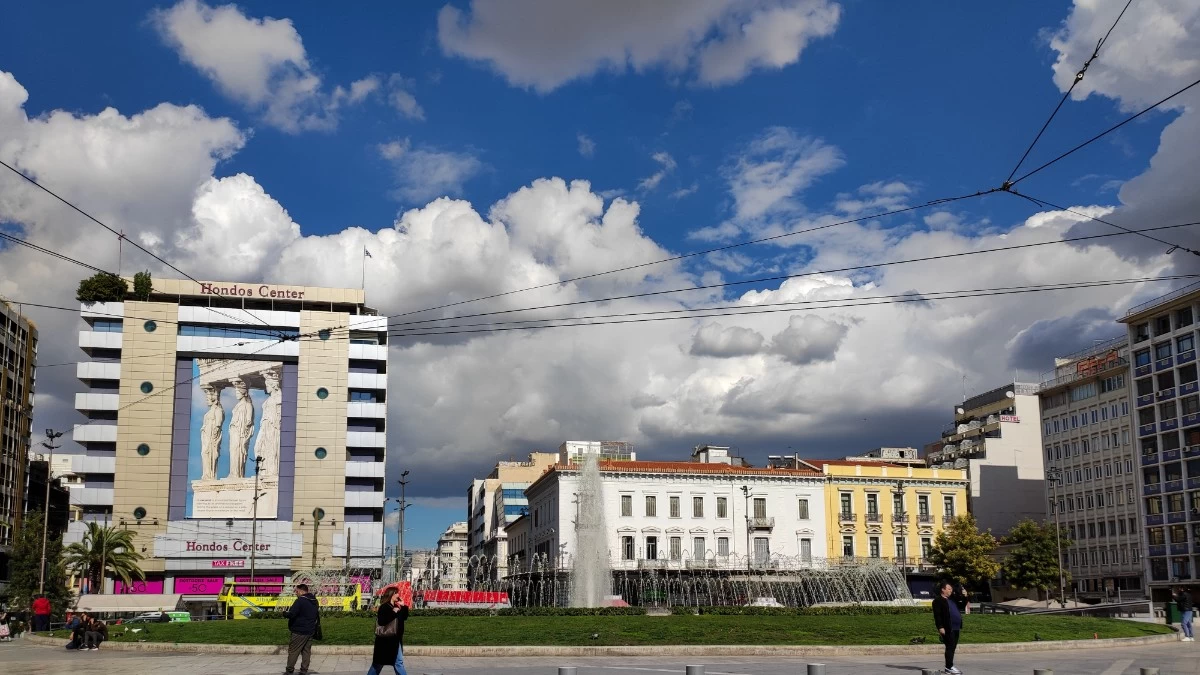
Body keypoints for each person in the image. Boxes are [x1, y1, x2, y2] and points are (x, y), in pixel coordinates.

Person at [367, 588, 410, 675]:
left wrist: (403, 606)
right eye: (397, 593)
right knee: (378, 664)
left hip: (395, 639)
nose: (398, 595)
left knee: (397, 662)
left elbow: (404, 617)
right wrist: (394, 612)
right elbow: (382, 621)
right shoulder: (384, 607)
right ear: (392, 594)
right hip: (386, 641)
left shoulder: (395, 606)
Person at [285, 583, 319, 675]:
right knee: (306, 651)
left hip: (299, 630)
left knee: (293, 651)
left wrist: (285, 613)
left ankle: (289, 670)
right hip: (310, 630)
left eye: (296, 591)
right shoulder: (314, 600)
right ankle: (304, 670)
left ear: (301, 591)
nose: (296, 593)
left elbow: (292, 614)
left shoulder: (300, 601)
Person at [932, 580, 964, 675]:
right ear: (943, 589)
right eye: (949, 589)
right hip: (948, 627)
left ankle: (949, 667)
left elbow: (962, 605)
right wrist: (940, 627)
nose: (951, 591)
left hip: (956, 627)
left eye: (951, 589)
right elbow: (937, 615)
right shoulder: (937, 601)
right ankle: (949, 667)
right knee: (950, 647)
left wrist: (965, 596)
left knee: (953, 647)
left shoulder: (952, 599)